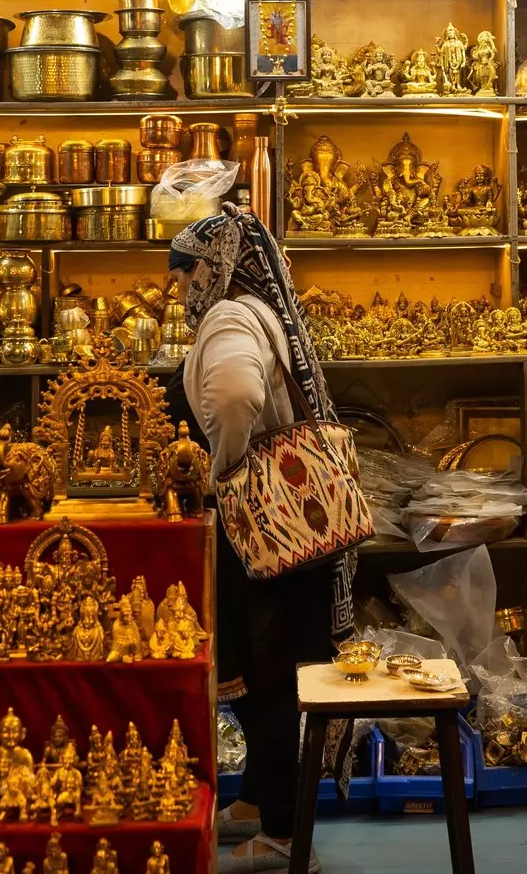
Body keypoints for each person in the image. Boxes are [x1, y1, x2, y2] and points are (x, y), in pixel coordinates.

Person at [165, 206, 357, 874]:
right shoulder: (261, 309)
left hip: (265, 526)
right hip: (297, 528)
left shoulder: (226, 317)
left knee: (261, 672)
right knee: (274, 664)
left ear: (208, 269)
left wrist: (226, 471)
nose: (177, 289)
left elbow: (239, 392)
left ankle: (280, 827)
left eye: (182, 273)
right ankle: (258, 796)